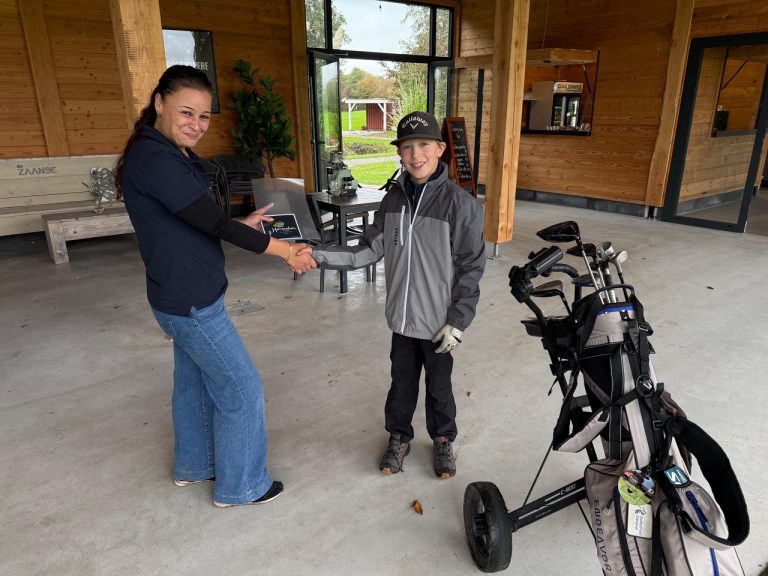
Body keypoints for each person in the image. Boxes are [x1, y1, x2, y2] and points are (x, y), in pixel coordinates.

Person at [115, 65, 316, 507]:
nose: (196, 124)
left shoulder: (170, 154)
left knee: (192, 382)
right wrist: (286, 252)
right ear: (159, 103)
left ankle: (194, 465)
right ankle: (242, 486)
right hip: (189, 300)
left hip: (178, 293)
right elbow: (211, 222)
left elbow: (193, 221)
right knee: (242, 389)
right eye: (187, 112)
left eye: (204, 117)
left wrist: (241, 223)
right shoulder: (156, 159)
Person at [312, 111, 485, 479]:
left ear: (440, 148)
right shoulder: (393, 200)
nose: (415, 154)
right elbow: (369, 249)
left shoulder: (460, 205)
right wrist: (314, 254)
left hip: (440, 325)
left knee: (439, 388)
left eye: (423, 145)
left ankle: (442, 440)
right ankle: (399, 437)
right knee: (401, 384)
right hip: (403, 321)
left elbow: (471, 267)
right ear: (400, 154)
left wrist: (458, 321)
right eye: (406, 147)